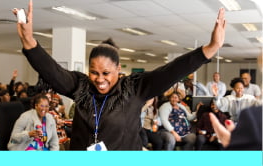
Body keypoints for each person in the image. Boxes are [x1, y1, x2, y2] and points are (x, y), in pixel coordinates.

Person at [12, 0, 226, 150]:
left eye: (106, 73)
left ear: (118, 70)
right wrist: (30, 43)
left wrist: (210, 48)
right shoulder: (80, 85)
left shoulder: (135, 88)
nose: (99, 79)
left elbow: (172, 71)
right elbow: (52, 71)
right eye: (94, 72)